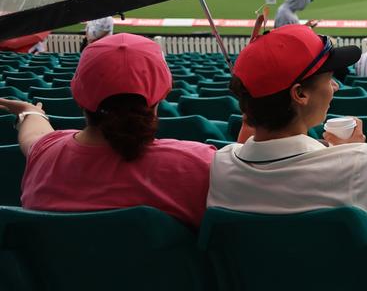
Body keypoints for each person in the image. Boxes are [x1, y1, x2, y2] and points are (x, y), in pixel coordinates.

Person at [208, 24, 367, 254]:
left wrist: (254, 75)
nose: (335, 86)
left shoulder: (220, 164)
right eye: (329, 78)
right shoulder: (361, 160)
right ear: (300, 94)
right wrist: (356, 157)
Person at [0, 33, 215, 228]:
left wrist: (29, 112)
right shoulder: (201, 165)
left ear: (78, 94)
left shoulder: (44, 156)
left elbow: (34, 136)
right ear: (161, 94)